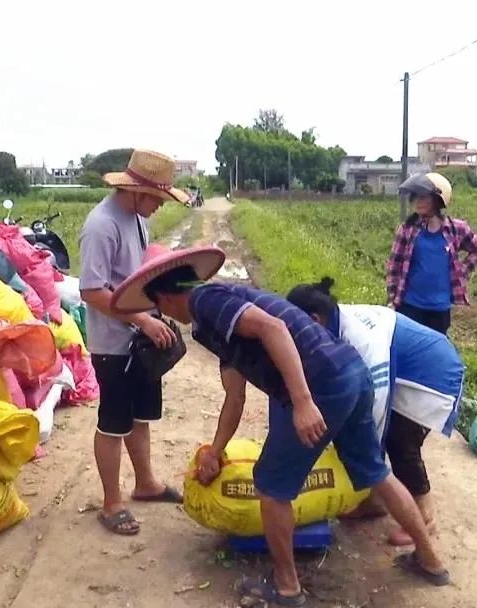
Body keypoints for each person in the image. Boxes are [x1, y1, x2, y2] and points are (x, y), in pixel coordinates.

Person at [110, 246, 449, 606]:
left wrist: (302, 402)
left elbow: (274, 328)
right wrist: (215, 450)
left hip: (322, 384)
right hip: (350, 372)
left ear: (163, 297)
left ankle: (287, 587)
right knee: (376, 471)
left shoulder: (206, 301)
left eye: (159, 309)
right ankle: (430, 560)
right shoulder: (213, 318)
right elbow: (234, 397)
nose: (165, 317)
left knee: (271, 488)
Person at [287, 277, 465, 547]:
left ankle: (425, 516)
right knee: (374, 443)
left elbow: (375, 408)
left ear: (314, 320)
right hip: (407, 365)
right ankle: (374, 501)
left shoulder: (362, 341)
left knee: (399, 441)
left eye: (296, 330)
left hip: (433, 373)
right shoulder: (335, 323)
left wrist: (365, 458)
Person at [78, 149, 190, 536]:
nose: (159, 206)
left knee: (141, 416)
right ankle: (112, 502)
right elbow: (92, 290)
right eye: (157, 199)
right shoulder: (101, 225)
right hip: (113, 343)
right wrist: (141, 319)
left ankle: (145, 483)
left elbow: (136, 272)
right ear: (136, 191)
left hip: (139, 337)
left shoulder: (135, 219)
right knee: (113, 423)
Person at [386, 172, 477, 334]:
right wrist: (392, 299)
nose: (418, 202)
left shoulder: (456, 229)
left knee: (434, 353)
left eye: (424, 197)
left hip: (440, 308)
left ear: (438, 200)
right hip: (410, 305)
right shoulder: (407, 230)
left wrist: (462, 271)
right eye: (416, 197)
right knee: (410, 352)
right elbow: (394, 267)